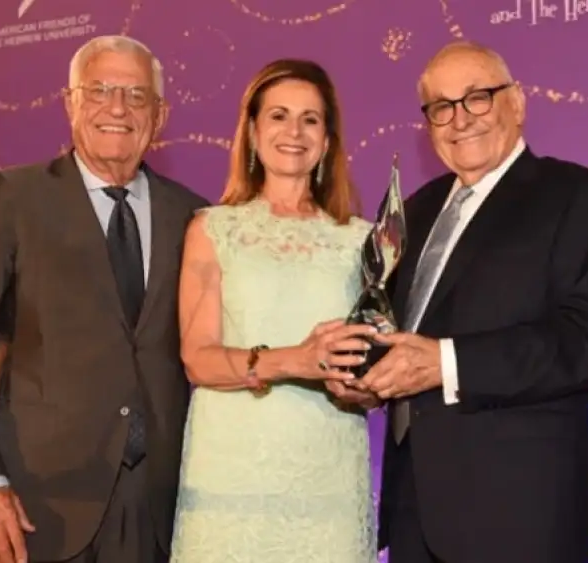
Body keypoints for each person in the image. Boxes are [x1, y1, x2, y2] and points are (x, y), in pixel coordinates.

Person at [0, 35, 209, 563]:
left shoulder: (196, 217)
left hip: (158, 515)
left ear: (161, 114)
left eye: (136, 95)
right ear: (70, 102)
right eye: (98, 89)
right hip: (30, 509)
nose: (118, 108)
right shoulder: (13, 197)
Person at [357, 41, 588, 563]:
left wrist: (447, 362)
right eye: (442, 107)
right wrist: (356, 368)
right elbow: (389, 330)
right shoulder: (414, 209)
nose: (460, 120)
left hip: (521, 516)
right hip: (417, 514)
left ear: (517, 104)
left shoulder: (573, 194)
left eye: (478, 98)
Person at [170, 58, 380, 563]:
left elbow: (374, 362)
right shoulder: (212, 229)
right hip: (231, 475)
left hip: (327, 471)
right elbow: (197, 359)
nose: (294, 131)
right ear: (252, 130)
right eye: (279, 115)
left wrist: (365, 389)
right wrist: (296, 359)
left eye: (311, 119)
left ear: (328, 139)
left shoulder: (363, 240)